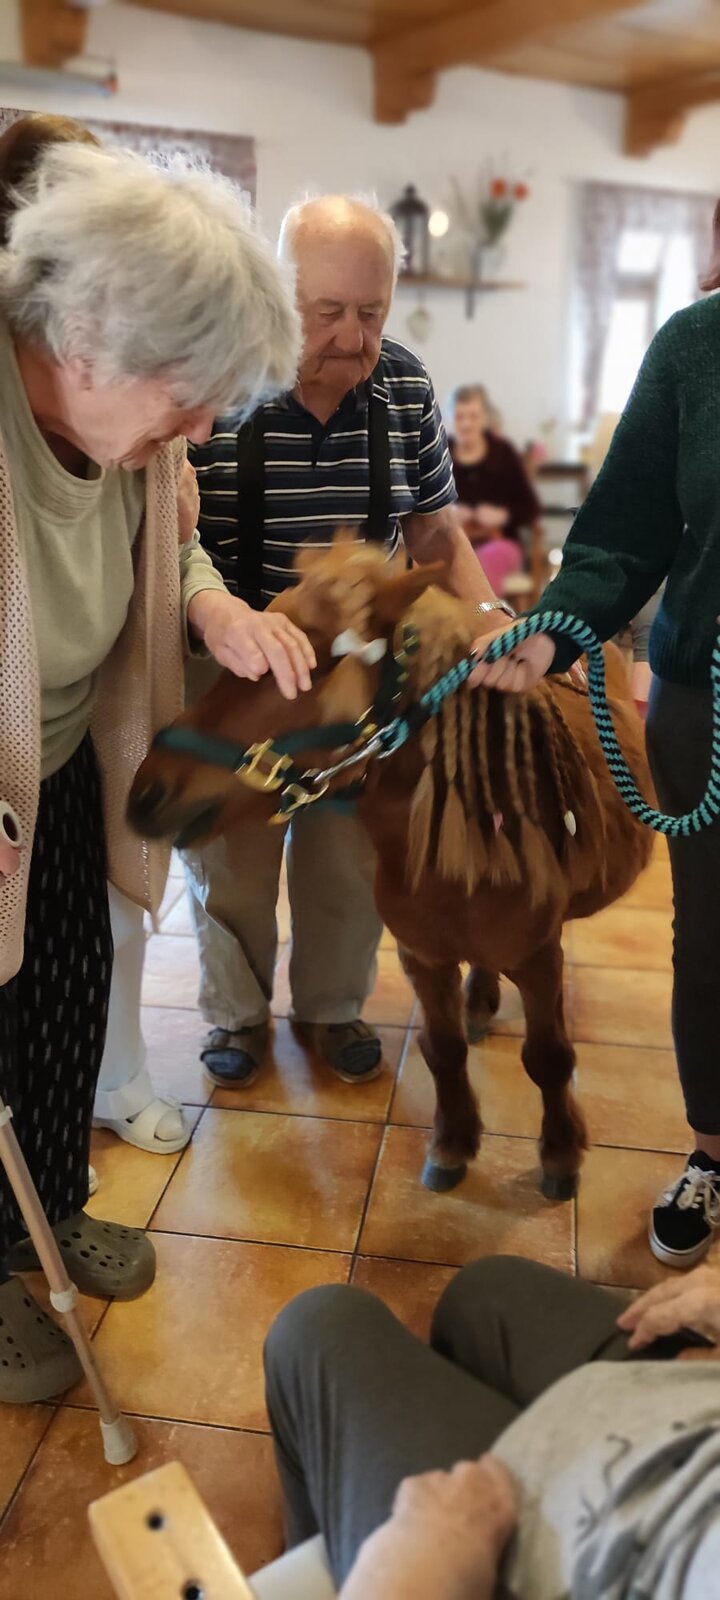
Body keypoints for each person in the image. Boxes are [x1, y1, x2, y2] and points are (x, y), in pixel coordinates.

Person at [0, 116, 303, 1403]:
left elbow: (171, 541)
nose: (205, 423)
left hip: (63, 752)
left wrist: (212, 605)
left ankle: (46, 1210)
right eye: (189, 394)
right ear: (83, 337)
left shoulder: (145, 431)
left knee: (68, 986)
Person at [185, 196, 504, 1090]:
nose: (354, 337)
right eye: (328, 312)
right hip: (237, 662)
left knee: (346, 848)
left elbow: (433, 531)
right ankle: (237, 1012)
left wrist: (488, 613)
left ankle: (331, 1007)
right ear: (281, 291)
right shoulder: (220, 374)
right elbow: (170, 538)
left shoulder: (404, 387)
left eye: (372, 311)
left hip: (359, 676)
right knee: (234, 856)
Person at [469, 281, 720, 1272]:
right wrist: (553, 630)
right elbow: (623, 529)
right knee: (711, 937)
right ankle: (713, 1154)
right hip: (706, 700)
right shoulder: (696, 346)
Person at [263, 1255, 720, 1599]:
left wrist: (411, 1575)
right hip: (696, 1408)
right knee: (485, 1291)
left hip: (599, 1568)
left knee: (319, 1324)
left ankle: (321, 1555)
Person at [449, 383, 541, 595]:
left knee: (479, 565)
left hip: (500, 543)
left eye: (473, 416)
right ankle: (457, 615)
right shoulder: (440, 452)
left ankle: (481, 613)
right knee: (439, 564)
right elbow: (420, 505)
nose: (466, 424)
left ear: (485, 419)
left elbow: (531, 507)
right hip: (456, 543)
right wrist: (449, 513)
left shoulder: (503, 452)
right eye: (460, 417)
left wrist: (503, 515)